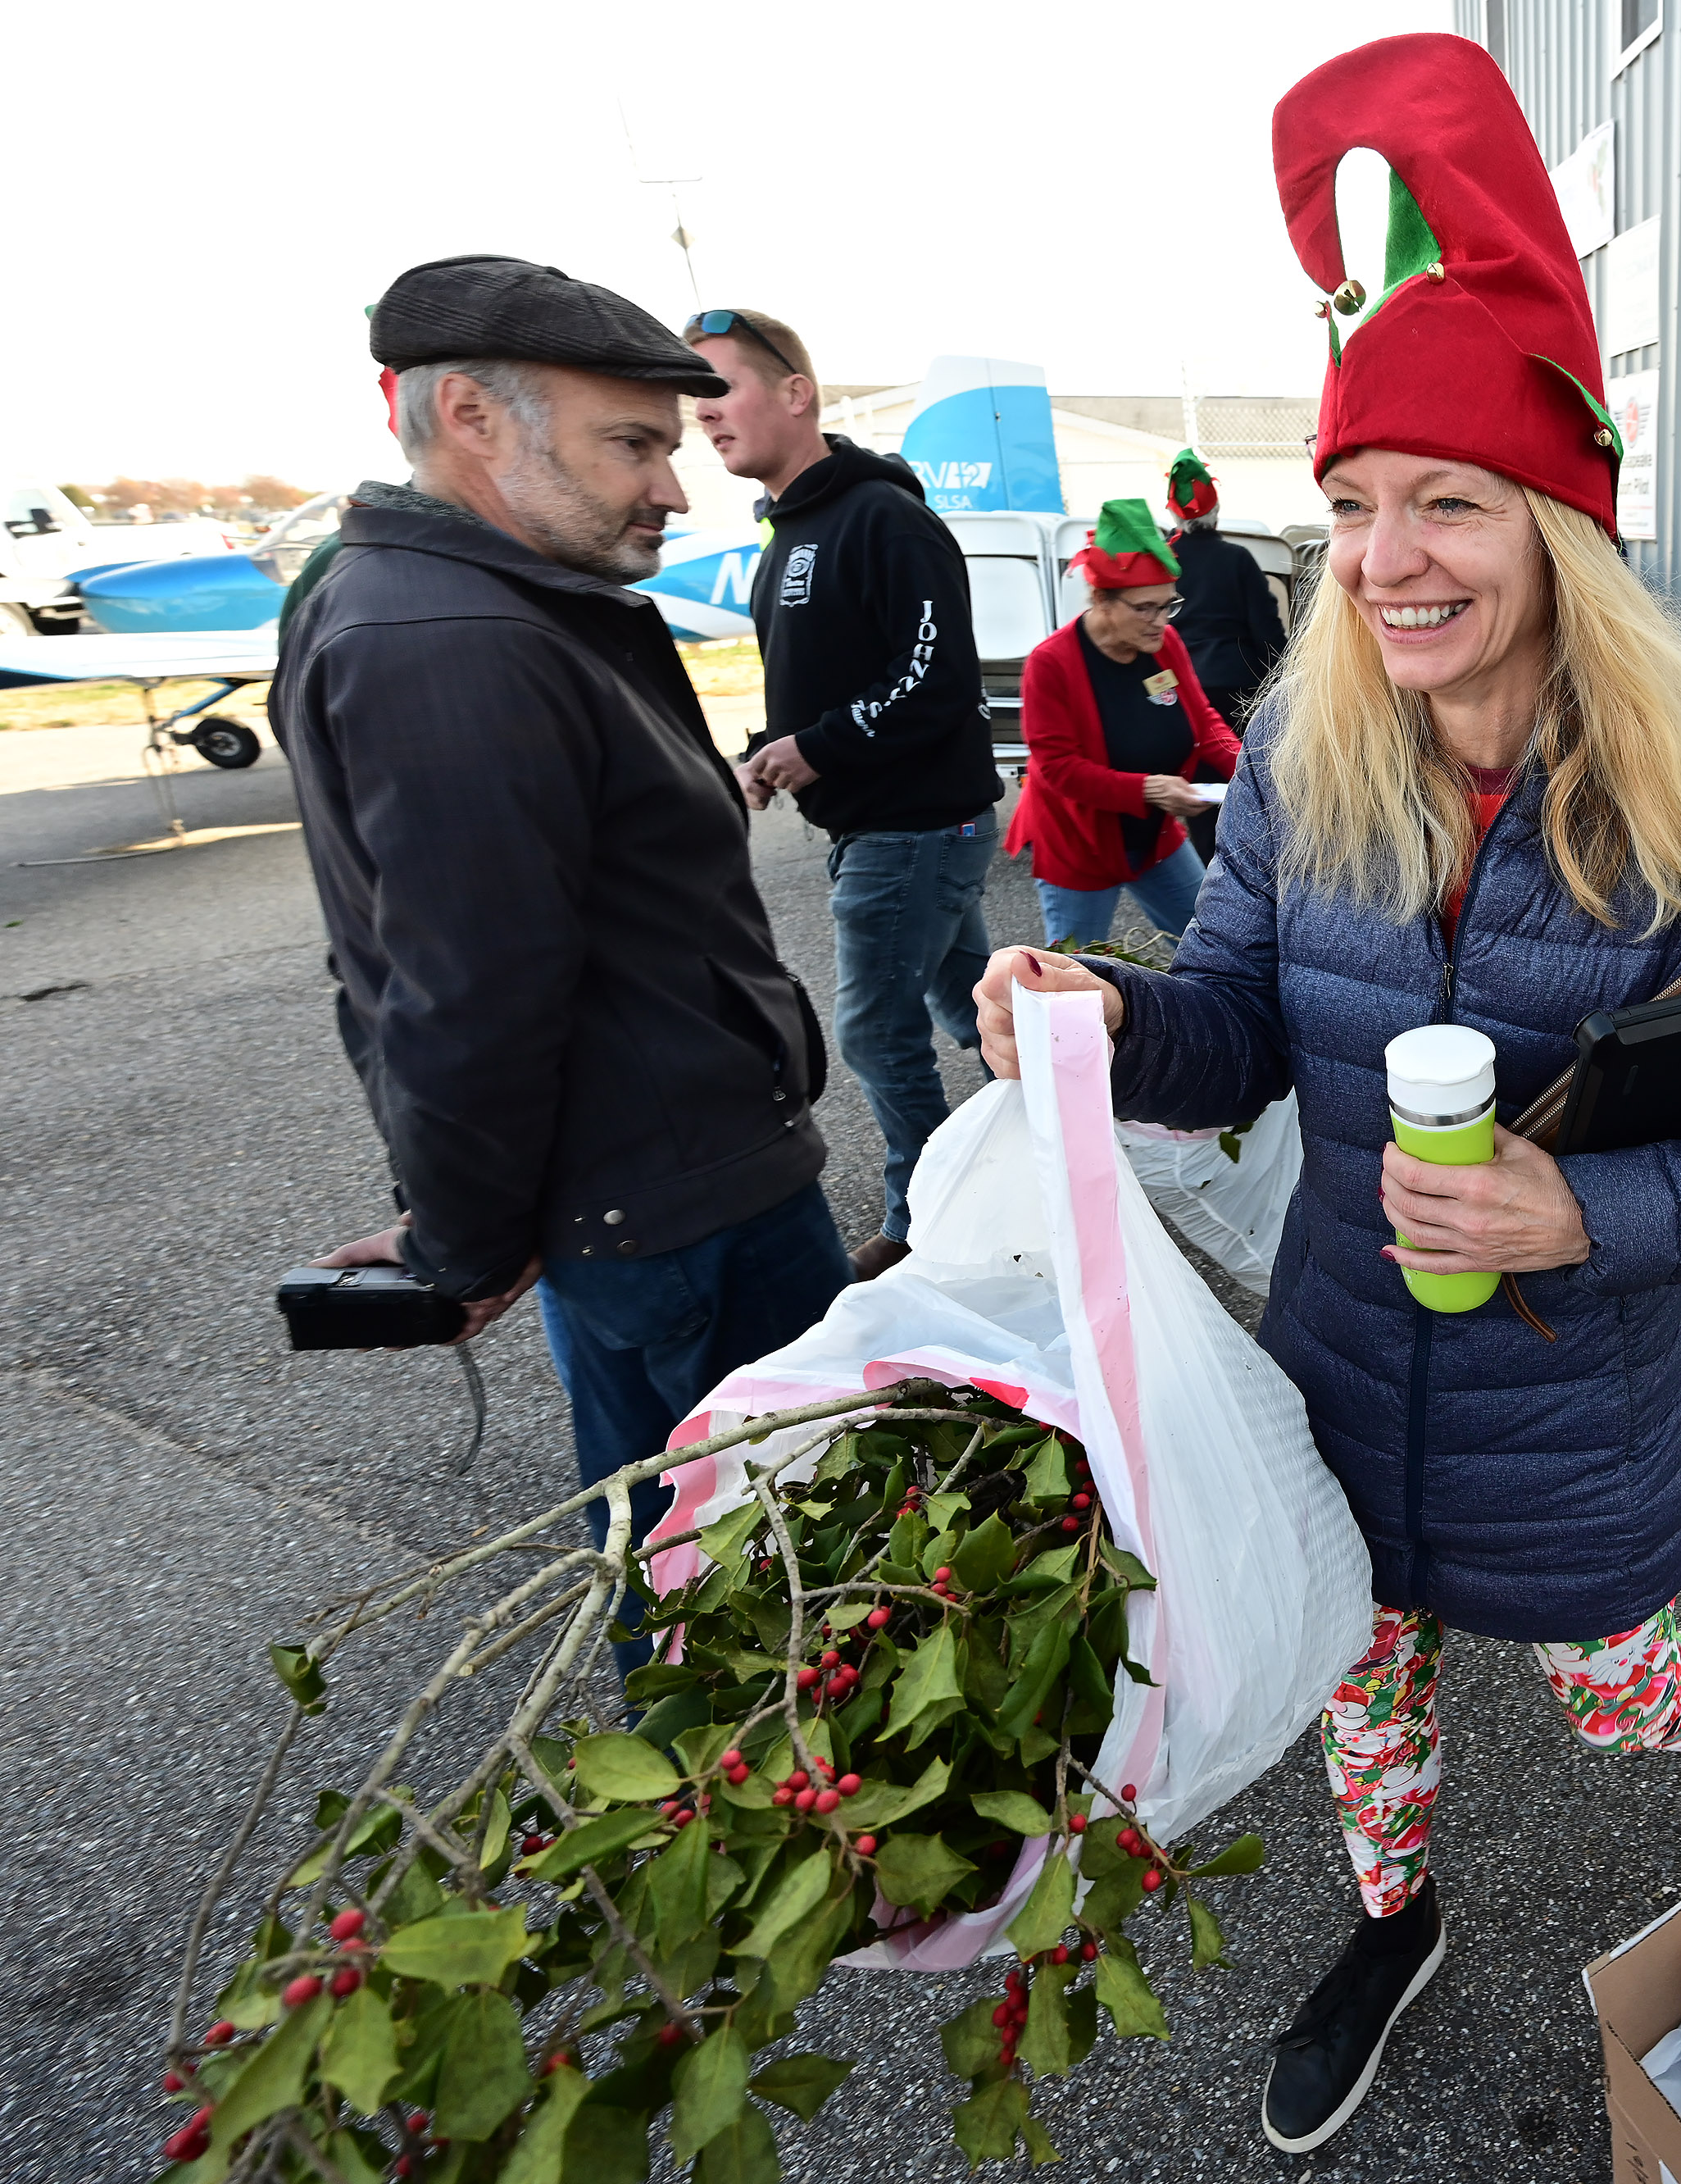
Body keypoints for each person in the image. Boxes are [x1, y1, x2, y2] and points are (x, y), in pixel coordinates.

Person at [969, 33, 1681, 2156]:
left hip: (1565, 1413)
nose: (1390, 560)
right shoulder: (1310, 773)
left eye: (1447, 503)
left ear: (1556, 521)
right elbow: (1225, 1036)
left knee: (1610, 1683)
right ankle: (1392, 1923)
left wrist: (1594, 1218)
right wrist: (1101, 1017)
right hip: (1333, 1369)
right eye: (1357, 507)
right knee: (1352, 1675)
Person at [277, 257, 847, 1658]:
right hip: (670, 1216)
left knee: (774, 1553)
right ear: (471, 413)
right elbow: (469, 991)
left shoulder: (494, 602)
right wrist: (464, 1239)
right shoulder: (452, 640)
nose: (671, 485)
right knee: (751, 1590)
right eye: (633, 444)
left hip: (675, 1186)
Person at [684, 305, 1004, 1281]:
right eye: (694, 402)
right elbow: (816, 683)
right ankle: (1055, 1160)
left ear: (795, 392)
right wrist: (766, 751)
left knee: (875, 1027)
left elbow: (936, 678)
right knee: (978, 1011)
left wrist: (818, 748)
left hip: (912, 828)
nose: (705, 416)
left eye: (722, 388)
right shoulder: (788, 532)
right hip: (884, 823)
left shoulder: (883, 517)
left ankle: (923, 1220)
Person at [1001, 498, 1241, 951]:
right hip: (1077, 845)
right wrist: (1149, 789)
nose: (1161, 621)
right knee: (1073, 969)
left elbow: (1202, 721)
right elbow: (1057, 768)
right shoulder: (1051, 664)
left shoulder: (1162, 643)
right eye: (1145, 608)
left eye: (1168, 605)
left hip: (1154, 839)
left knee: (1213, 945)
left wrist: (1250, 769)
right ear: (1101, 601)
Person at [1161, 447, 1288, 864]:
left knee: (1200, 797)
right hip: (1240, 689)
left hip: (1177, 692)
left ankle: (1208, 876)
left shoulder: (1162, 561)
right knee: (1252, 789)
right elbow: (1268, 633)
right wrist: (1281, 688)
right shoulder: (1238, 559)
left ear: (1174, 513)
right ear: (1216, 511)